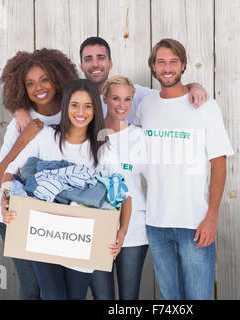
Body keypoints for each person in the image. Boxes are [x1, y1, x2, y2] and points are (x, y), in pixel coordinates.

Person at [1, 79, 132, 300]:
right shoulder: (46, 137)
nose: (81, 112)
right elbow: (9, 173)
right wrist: (4, 201)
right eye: (74, 105)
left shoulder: (103, 148)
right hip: (43, 235)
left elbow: (124, 194)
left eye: (88, 105)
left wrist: (122, 231)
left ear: (95, 109)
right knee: (54, 297)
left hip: (83, 241)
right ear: (65, 107)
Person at [135, 38, 234, 300]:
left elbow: (219, 163)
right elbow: (111, 104)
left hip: (195, 222)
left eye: (173, 62)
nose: (167, 68)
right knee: (171, 300)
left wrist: (212, 216)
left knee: (198, 297)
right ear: (153, 67)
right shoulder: (144, 106)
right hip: (156, 224)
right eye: (161, 62)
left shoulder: (205, 107)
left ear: (183, 65)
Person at [0, 48, 79, 299]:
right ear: (22, 88)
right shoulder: (20, 122)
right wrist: (26, 135)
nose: (38, 87)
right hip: (14, 212)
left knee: (56, 288)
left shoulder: (74, 113)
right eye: (30, 83)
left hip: (54, 214)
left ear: (58, 78)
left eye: (44, 79)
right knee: (32, 288)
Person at [14, 37, 209, 130]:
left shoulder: (135, 93)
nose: (95, 64)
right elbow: (42, 104)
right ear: (81, 66)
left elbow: (168, 95)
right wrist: (19, 110)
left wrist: (193, 86)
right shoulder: (73, 96)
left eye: (101, 57)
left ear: (110, 63)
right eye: (89, 59)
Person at [89, 75, 148, 300]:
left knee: (128, 299)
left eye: (127, 99)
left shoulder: (139, 137)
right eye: (115, 98)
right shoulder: (88, 134)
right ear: (104, 98)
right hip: (96, 225)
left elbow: (158, 179)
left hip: (133, 228)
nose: (121, 105)